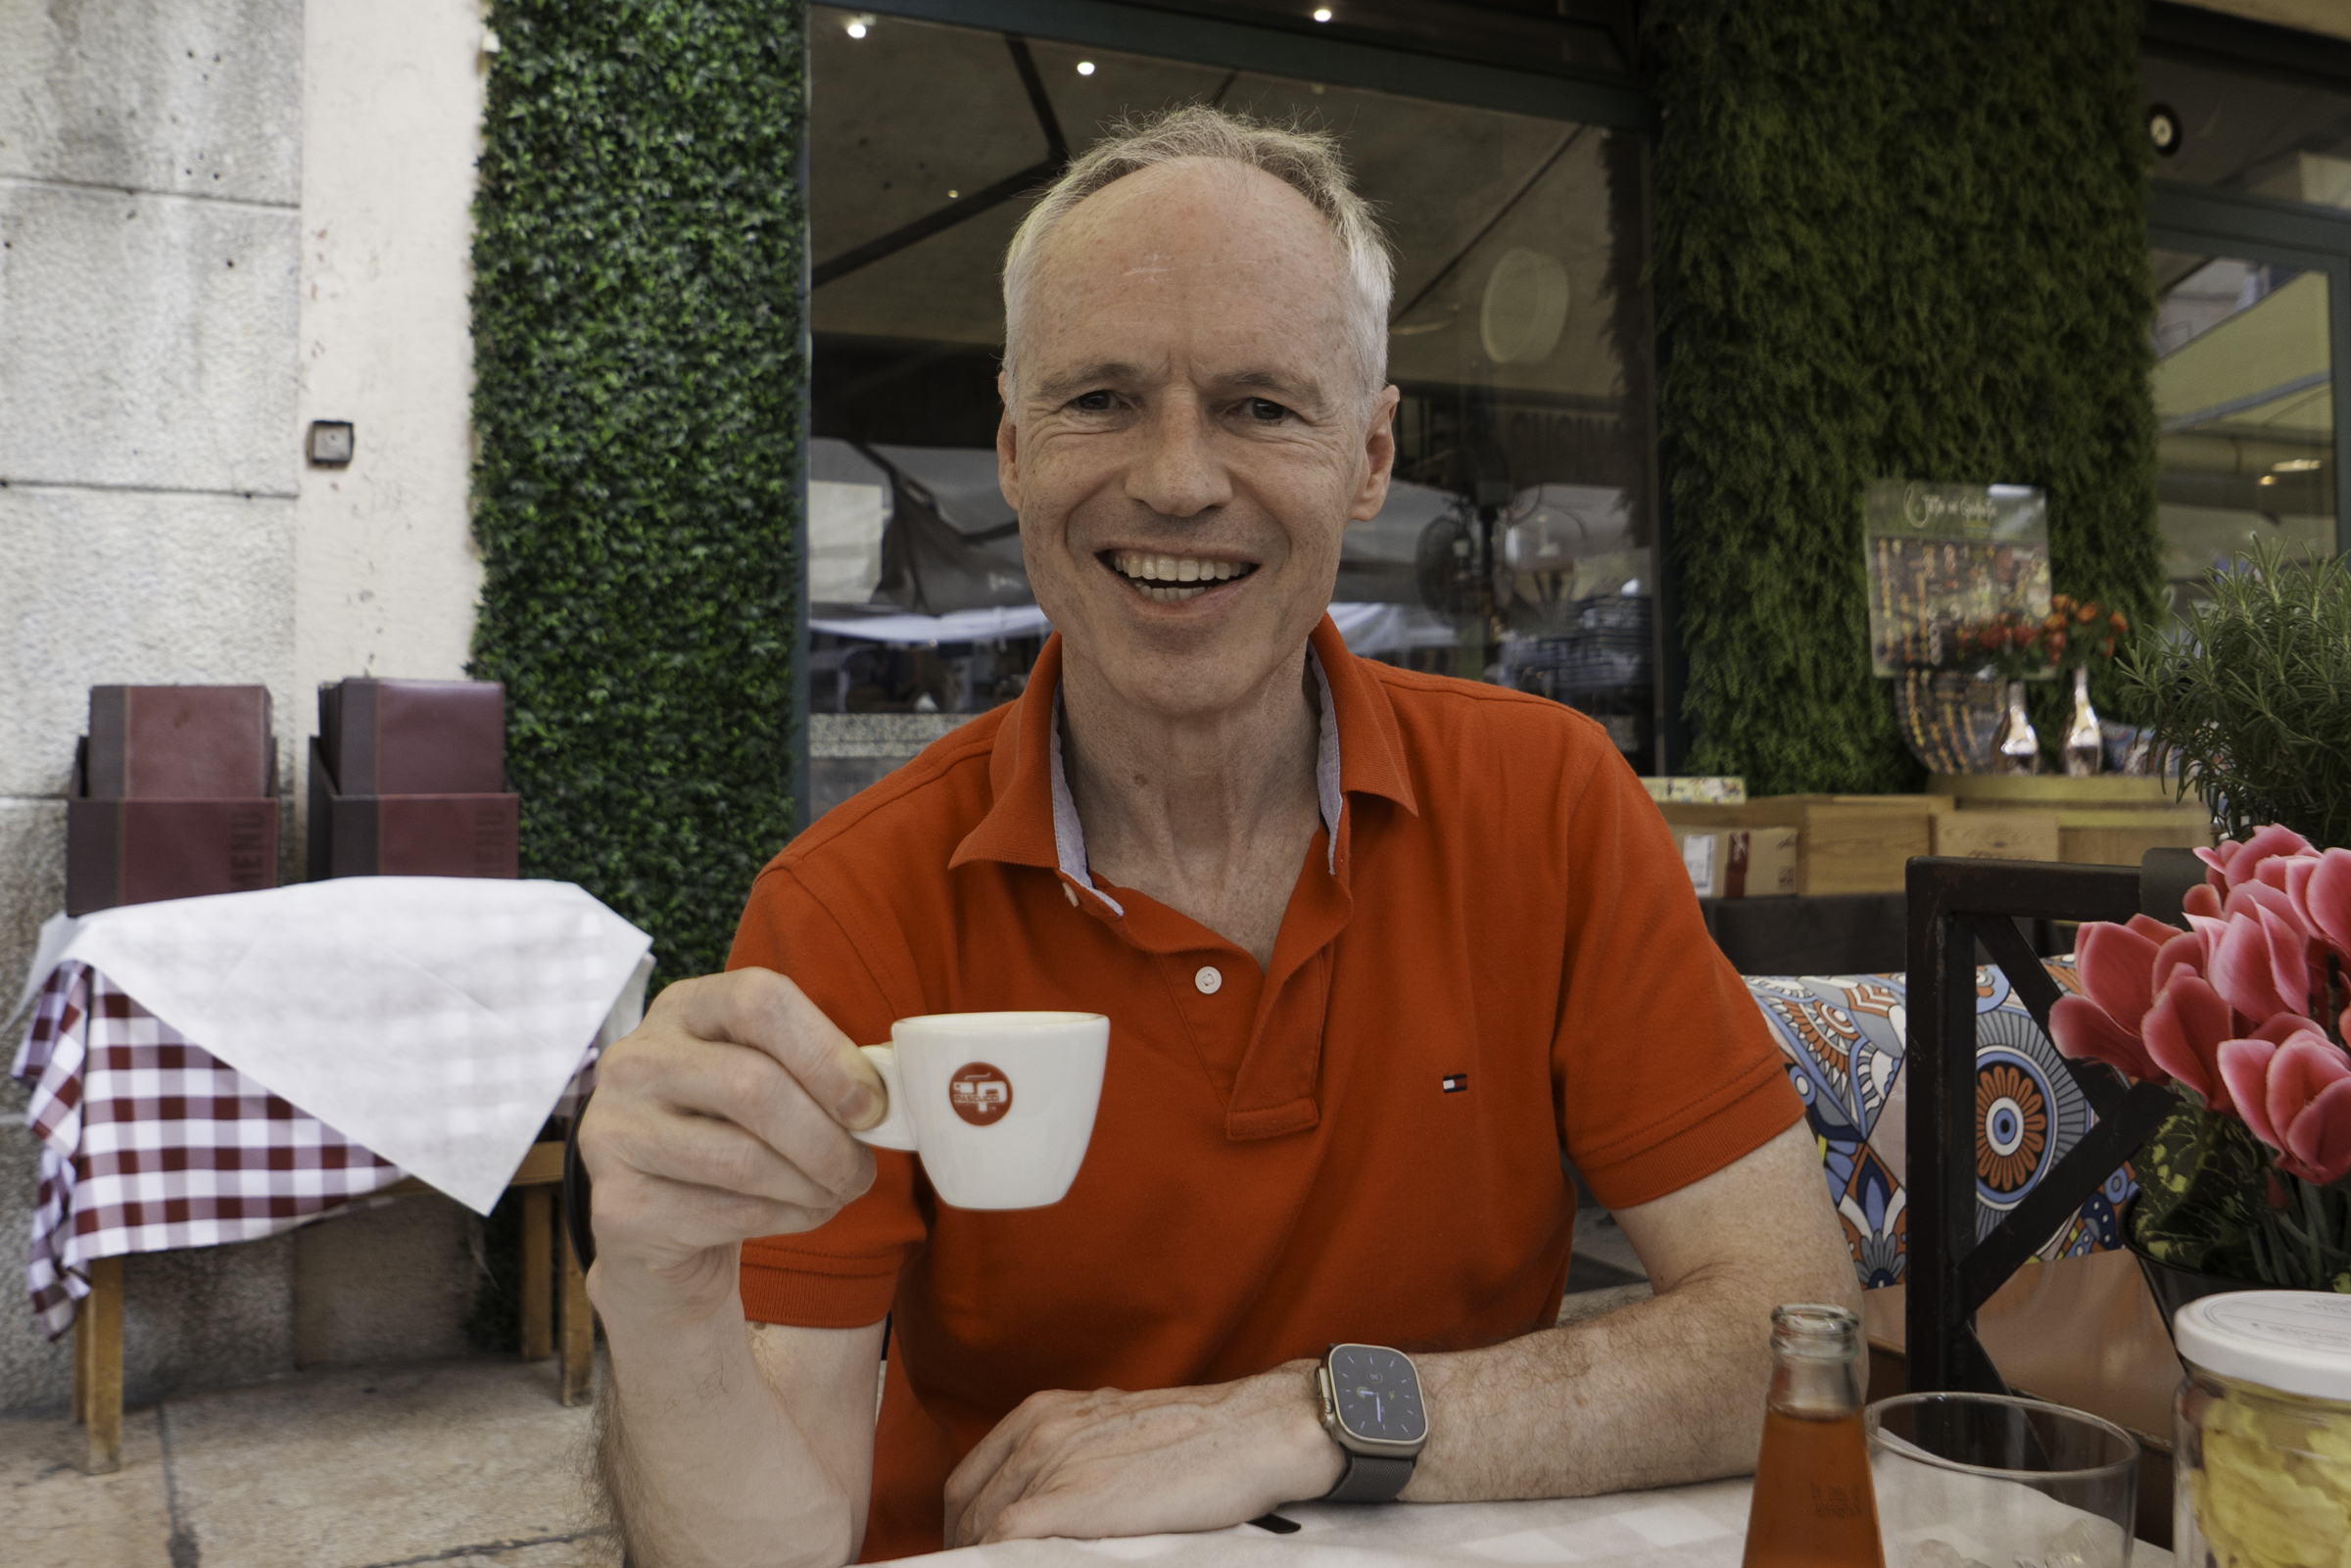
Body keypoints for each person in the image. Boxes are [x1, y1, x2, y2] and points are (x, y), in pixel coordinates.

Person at [580, 107, 1859, 1568]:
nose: (1179, 478)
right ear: (1011, 448)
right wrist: (664, 1296)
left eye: (1261, 405)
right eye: (1103, 399)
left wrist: (1315, 1414)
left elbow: (1788, 1337)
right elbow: (753, 1549)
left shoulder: (1549, 802)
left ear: (1369, 457)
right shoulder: (856, 898)